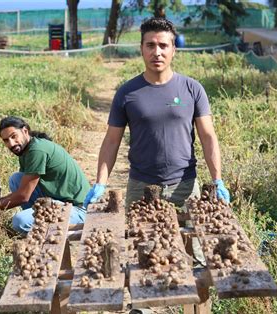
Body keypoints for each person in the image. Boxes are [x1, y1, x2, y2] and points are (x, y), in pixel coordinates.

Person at [84, 17, 230, 221]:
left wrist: (217, 179)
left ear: (173, 50)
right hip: (140, 187)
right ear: (141, 49)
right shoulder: (127, 93)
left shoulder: (192, 89)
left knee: (195, 249)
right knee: (141, 247)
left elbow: (208, 137)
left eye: (163, 45)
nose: (157, 52)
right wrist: (100, 183)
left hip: (184, 187)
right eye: (150, 45)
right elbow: (111, 141)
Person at [0, 116, 90, 234]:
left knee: (20, 221)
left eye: (13, 136)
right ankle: (38, 219)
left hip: (78, 209)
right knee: (16, 179)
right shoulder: (27, 149)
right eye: (6, 140)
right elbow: (24, 189)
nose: (11, 143)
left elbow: (23, 196)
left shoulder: (37, 150)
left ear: (25, 131)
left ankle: (44, 228)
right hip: (58, 200)